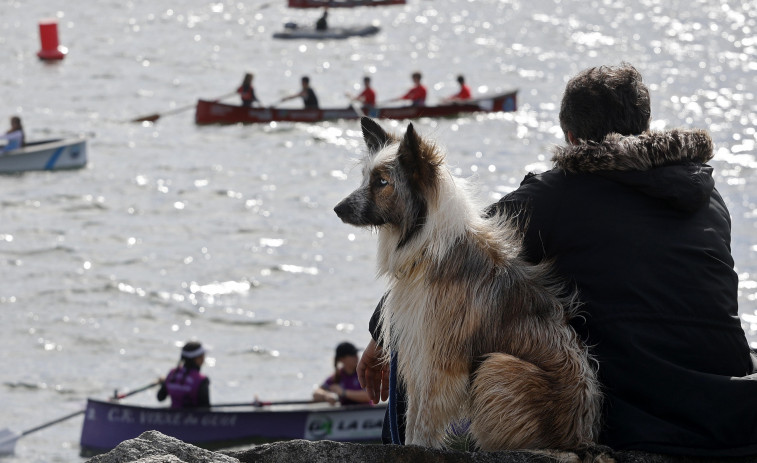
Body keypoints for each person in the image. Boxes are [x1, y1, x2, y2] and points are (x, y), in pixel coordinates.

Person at [359, 63, 757, 456]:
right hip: (731, 412)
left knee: (418, 335)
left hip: (638, 421)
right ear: (646, 128)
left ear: (569, 136)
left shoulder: (554, 196)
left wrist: (383, 334)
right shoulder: (705, 196)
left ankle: (402, 451)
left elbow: (445, 257)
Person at [313, 342, 371, 406]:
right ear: (342, 359)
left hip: (366, 412)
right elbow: (316, 393)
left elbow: (369, 396)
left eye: (356, 353)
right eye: (352, 354)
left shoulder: (364, 373)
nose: (356, 357)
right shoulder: (337, 377)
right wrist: (327, 395)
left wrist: (343, 393)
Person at [157, 341, 211, 409]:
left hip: (173, 414)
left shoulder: (172, 374)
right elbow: (206, 409)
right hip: (192, 417)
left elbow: (160, 397)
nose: (204, 357)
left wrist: (164, 383)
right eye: (203, 355)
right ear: (197, 359)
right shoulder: (202, 380)